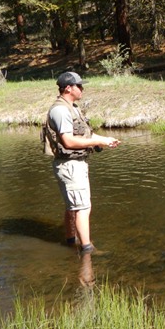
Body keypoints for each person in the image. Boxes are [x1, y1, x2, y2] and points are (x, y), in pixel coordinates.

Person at [44, 71, 120, 255]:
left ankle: (70, 242)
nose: (82, 89)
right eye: (79, 86)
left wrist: (105, 139)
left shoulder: (73, 108)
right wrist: (97, 142)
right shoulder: (60, 111)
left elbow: (85, 135)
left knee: (73, 207)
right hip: (70, 166)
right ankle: (87, 250)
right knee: (83, 207)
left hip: (74, 164)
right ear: (68, 88)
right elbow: (68, 142)